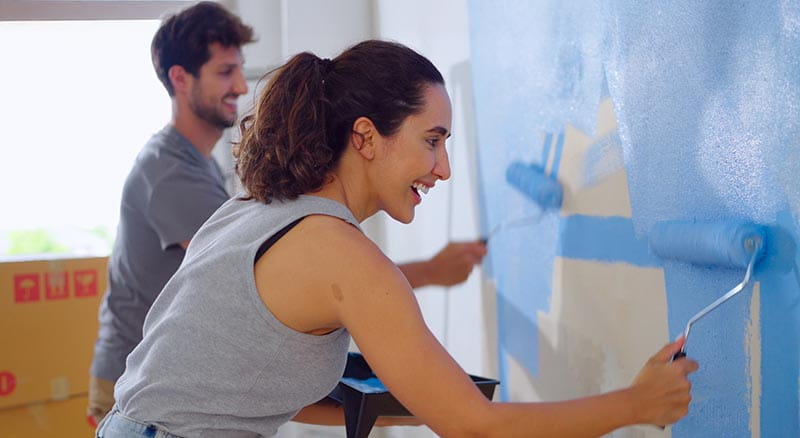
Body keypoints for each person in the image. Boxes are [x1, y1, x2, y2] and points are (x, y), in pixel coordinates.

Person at [97, 39, 696, 438]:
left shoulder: (254, 208)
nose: (444, 168)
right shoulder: (345, 258)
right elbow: (473, 427)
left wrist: (416, 400)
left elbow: (240, 378)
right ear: (365, 137)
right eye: (432, 140)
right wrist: (637, 404)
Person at [88, 2, 485, 427]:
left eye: (240, 69)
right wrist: (431, 271)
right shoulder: (174, 174)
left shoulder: (246, 199)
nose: (240, 85)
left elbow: (264, 360)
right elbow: (320, 279)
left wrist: (422, 407)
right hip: (149, 396)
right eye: (224, 71)